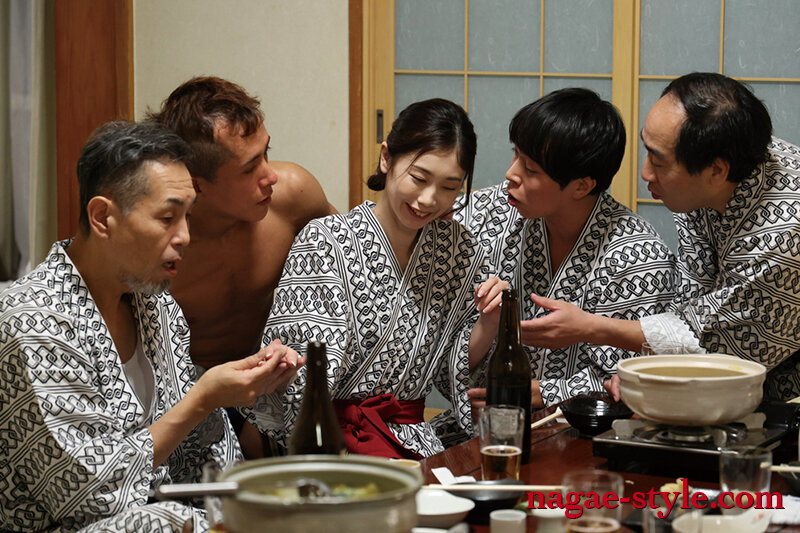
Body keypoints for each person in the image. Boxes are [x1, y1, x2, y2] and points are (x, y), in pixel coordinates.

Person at [0, 121, 301, 532]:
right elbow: (87, 496)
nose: (185, 237)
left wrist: (252, 383)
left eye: (188, 216)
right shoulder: (32, 321)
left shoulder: (156, 306)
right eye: (167, 217)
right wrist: (202, 399)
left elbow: (203, 457)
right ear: (103, 217)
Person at [245, 98, 506, 458]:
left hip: (411, 442)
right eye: (419, 178)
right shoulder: (325, 241)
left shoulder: (458, 250)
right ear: (387, 158)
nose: (428, 199)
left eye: (449, 187)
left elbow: (453, 369)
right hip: (323, 441)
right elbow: (302, 378)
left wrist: (490, 320)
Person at [521, 73, 800, 401]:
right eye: (647, 150)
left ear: (716, 171)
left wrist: (591, 328)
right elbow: (692, 299)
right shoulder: (720, 169)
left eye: (658, 161)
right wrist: (653, 362)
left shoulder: (783, 235)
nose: (645, 172)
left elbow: (720, 350)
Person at [453, 88, 676, 410]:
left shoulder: (637, 255)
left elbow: (633, 378)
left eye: (531, 169)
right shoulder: (493, 211)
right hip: (482, 420)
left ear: (582, 186)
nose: (511, 174)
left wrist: (543, 392)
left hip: (581, 428)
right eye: (515, 155)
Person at [147, 76, 335, 456]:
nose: (271, 176)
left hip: (277, 390)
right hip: (189, 398)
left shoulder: (293, 197)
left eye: (267, 153)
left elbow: (352, 261)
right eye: (250, 169)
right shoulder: (158, 249)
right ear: (197, 185)